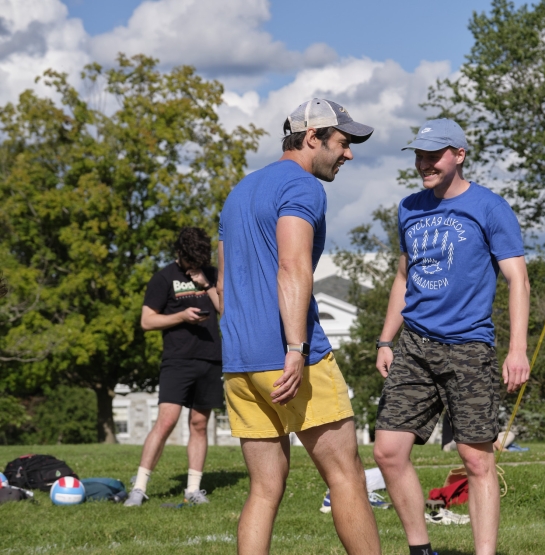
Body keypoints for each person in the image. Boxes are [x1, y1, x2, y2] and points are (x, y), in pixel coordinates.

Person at [218, 99, 381, 555]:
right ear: (313, 137)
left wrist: (240, 345)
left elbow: (223, 284)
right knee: (345, 474)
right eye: (343, 143)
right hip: (292, 358)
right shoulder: (303, 187)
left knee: (264, 489)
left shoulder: (240, 191)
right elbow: (293, 266)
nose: (348, 154)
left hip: (240, 362)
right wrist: (294, 346)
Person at [373, 118, 530, 555]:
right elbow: (404, 275)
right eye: (419, 155)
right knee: (387, 451)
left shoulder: (490, 207)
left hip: (469, 348)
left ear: (459, 155)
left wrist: (517, 351)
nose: (424, 163)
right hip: (415, 346)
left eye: (433, 155)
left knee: (477, 459)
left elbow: (518, 280)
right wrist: (387, 340)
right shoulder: (409, 207)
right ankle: (421, 550)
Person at [124, 227, 223, 507]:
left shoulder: (211, 274)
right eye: (191, 260)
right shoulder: (163, 278)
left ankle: (193, 489)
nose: (195, 266)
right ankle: (139, 488)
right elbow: (147, 321)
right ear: (180, 253)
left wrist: (206, 284)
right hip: (177, 360)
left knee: (200, 424)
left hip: (210, 357)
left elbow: (223, 310)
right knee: (166, 422)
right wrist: (180, 316)